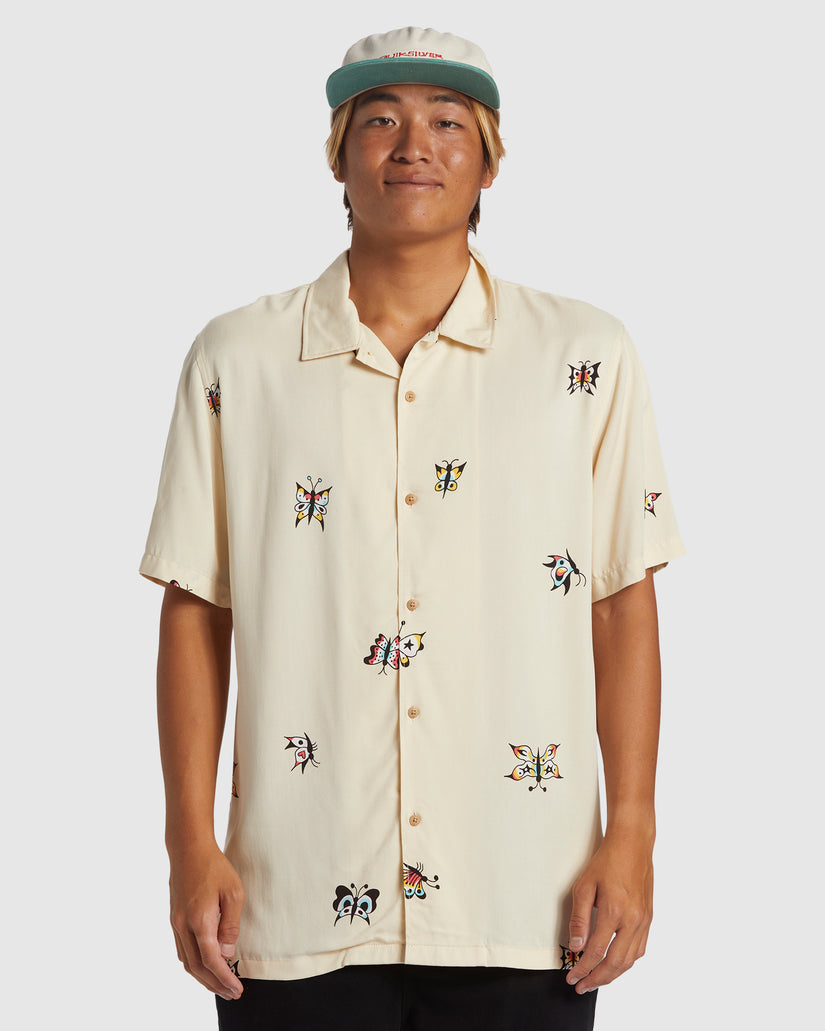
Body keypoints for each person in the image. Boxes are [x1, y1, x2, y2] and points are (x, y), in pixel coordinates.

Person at [139, 26, 684, 1031]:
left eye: (446, 122)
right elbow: (196, 607)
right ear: (339, 156)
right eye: (380, 120)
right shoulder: (237, 361)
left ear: (488, 161)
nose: (413, 146)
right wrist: (188, 841)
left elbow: (619, 602)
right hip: (292, 900)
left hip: (525, 901)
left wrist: (634, 831)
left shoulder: (585, 359)